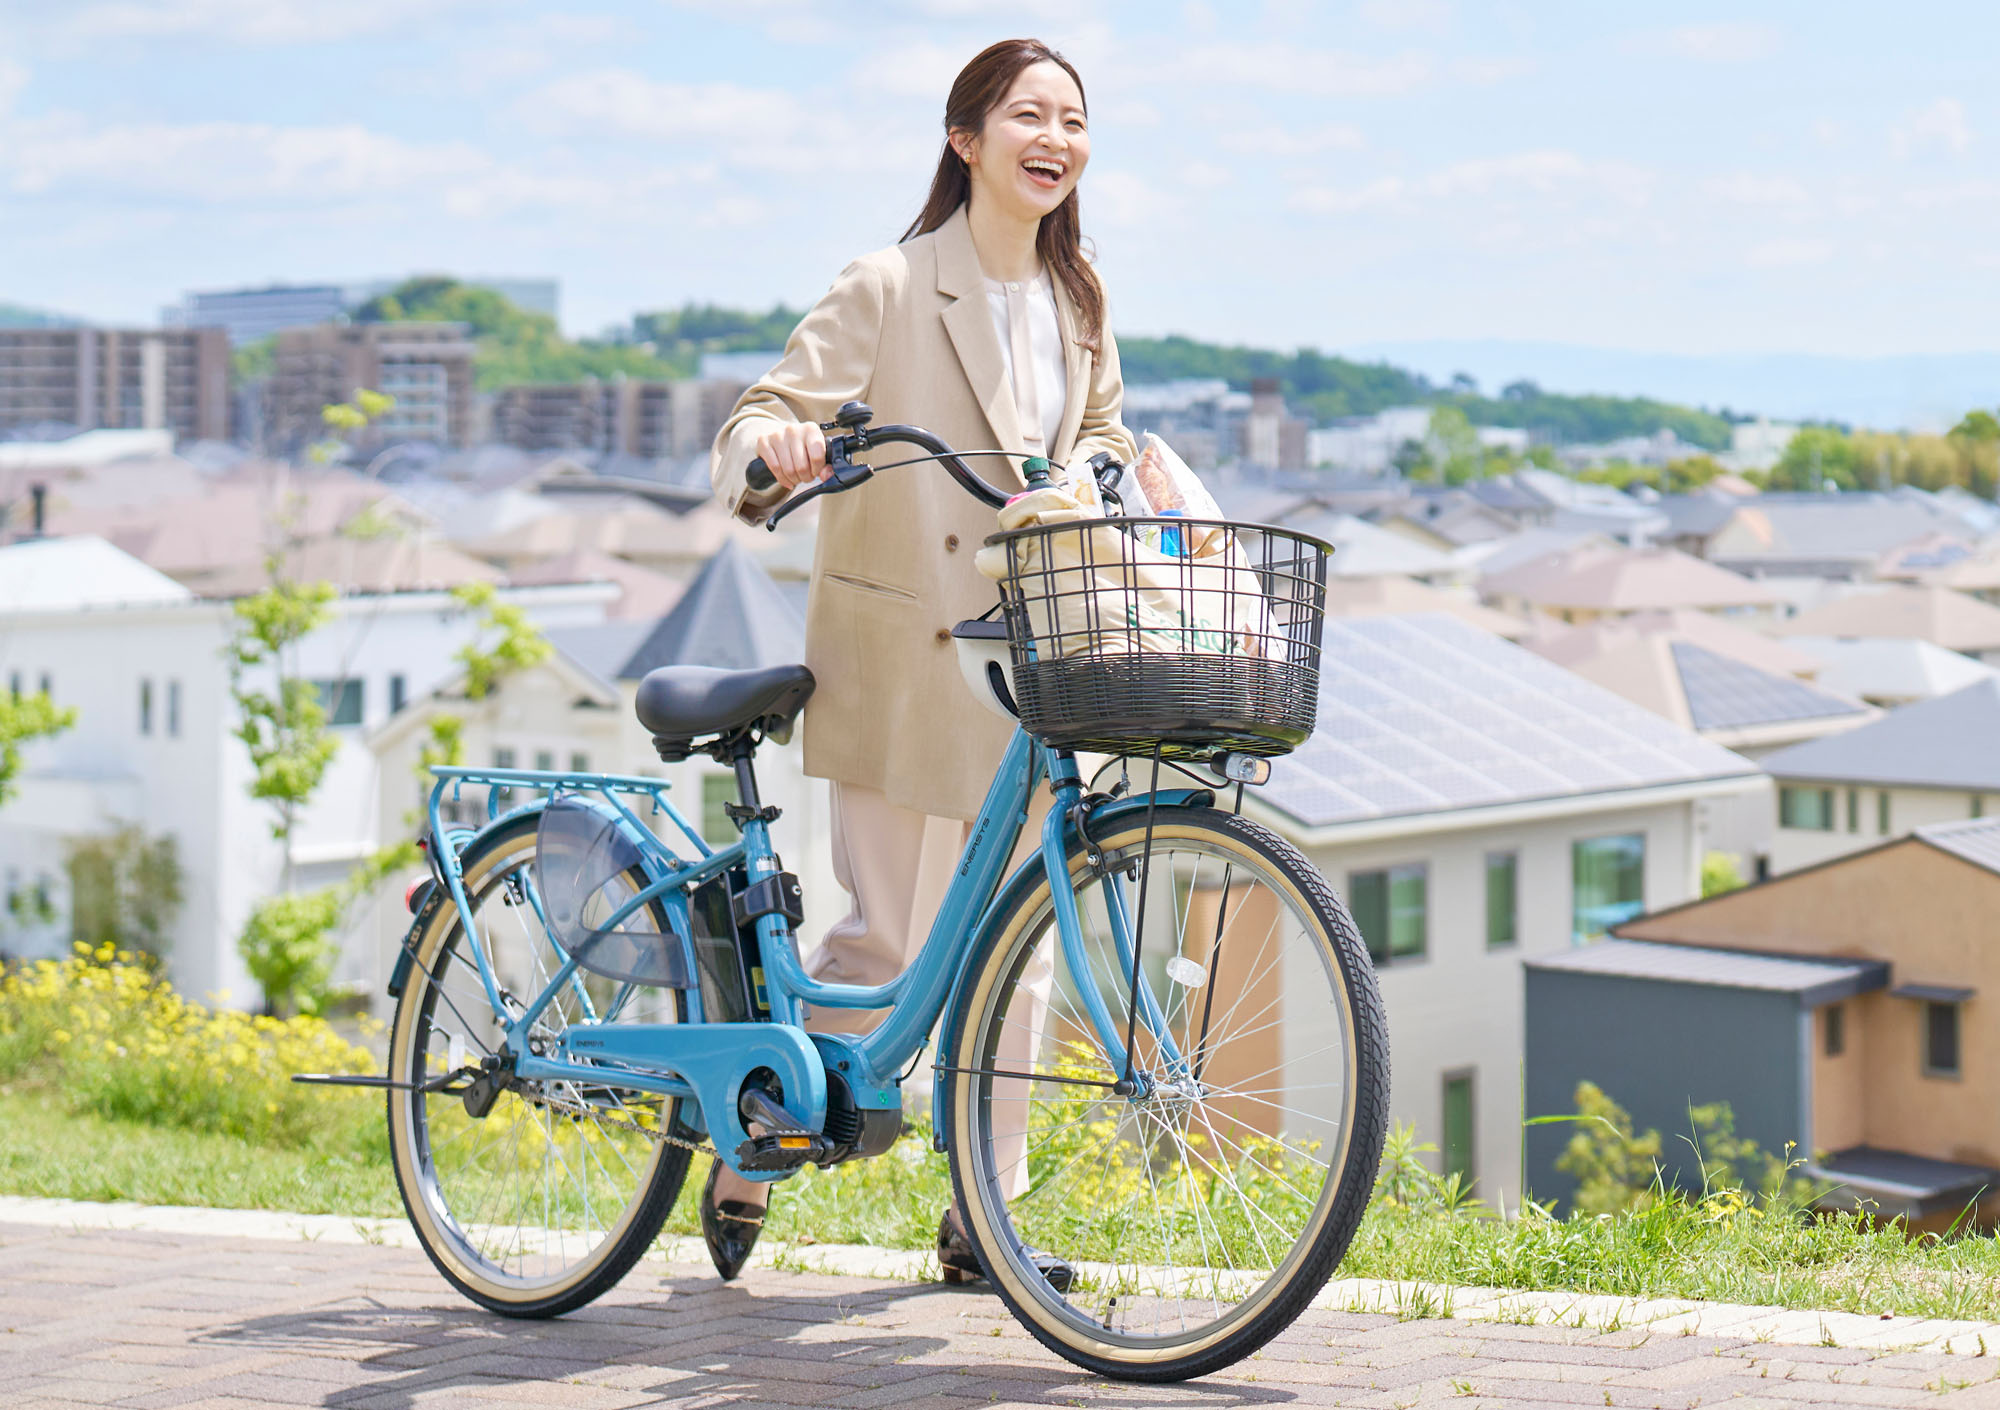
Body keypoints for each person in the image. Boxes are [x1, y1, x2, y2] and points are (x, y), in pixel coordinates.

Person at [704, 36, 1138, 1283]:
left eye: (1073, 118)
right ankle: (754, 1143)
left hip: (1027, 658)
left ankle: (983, 1226)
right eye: (1026, 115)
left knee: (1024, 955)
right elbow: (753, 417)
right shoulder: (890, 283)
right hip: (901, 652)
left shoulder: (1080, 296)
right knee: (883, 944)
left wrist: (1102, 473)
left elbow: (1097, 426)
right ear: (964, 139)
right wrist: (778, 450)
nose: (1054, 138)